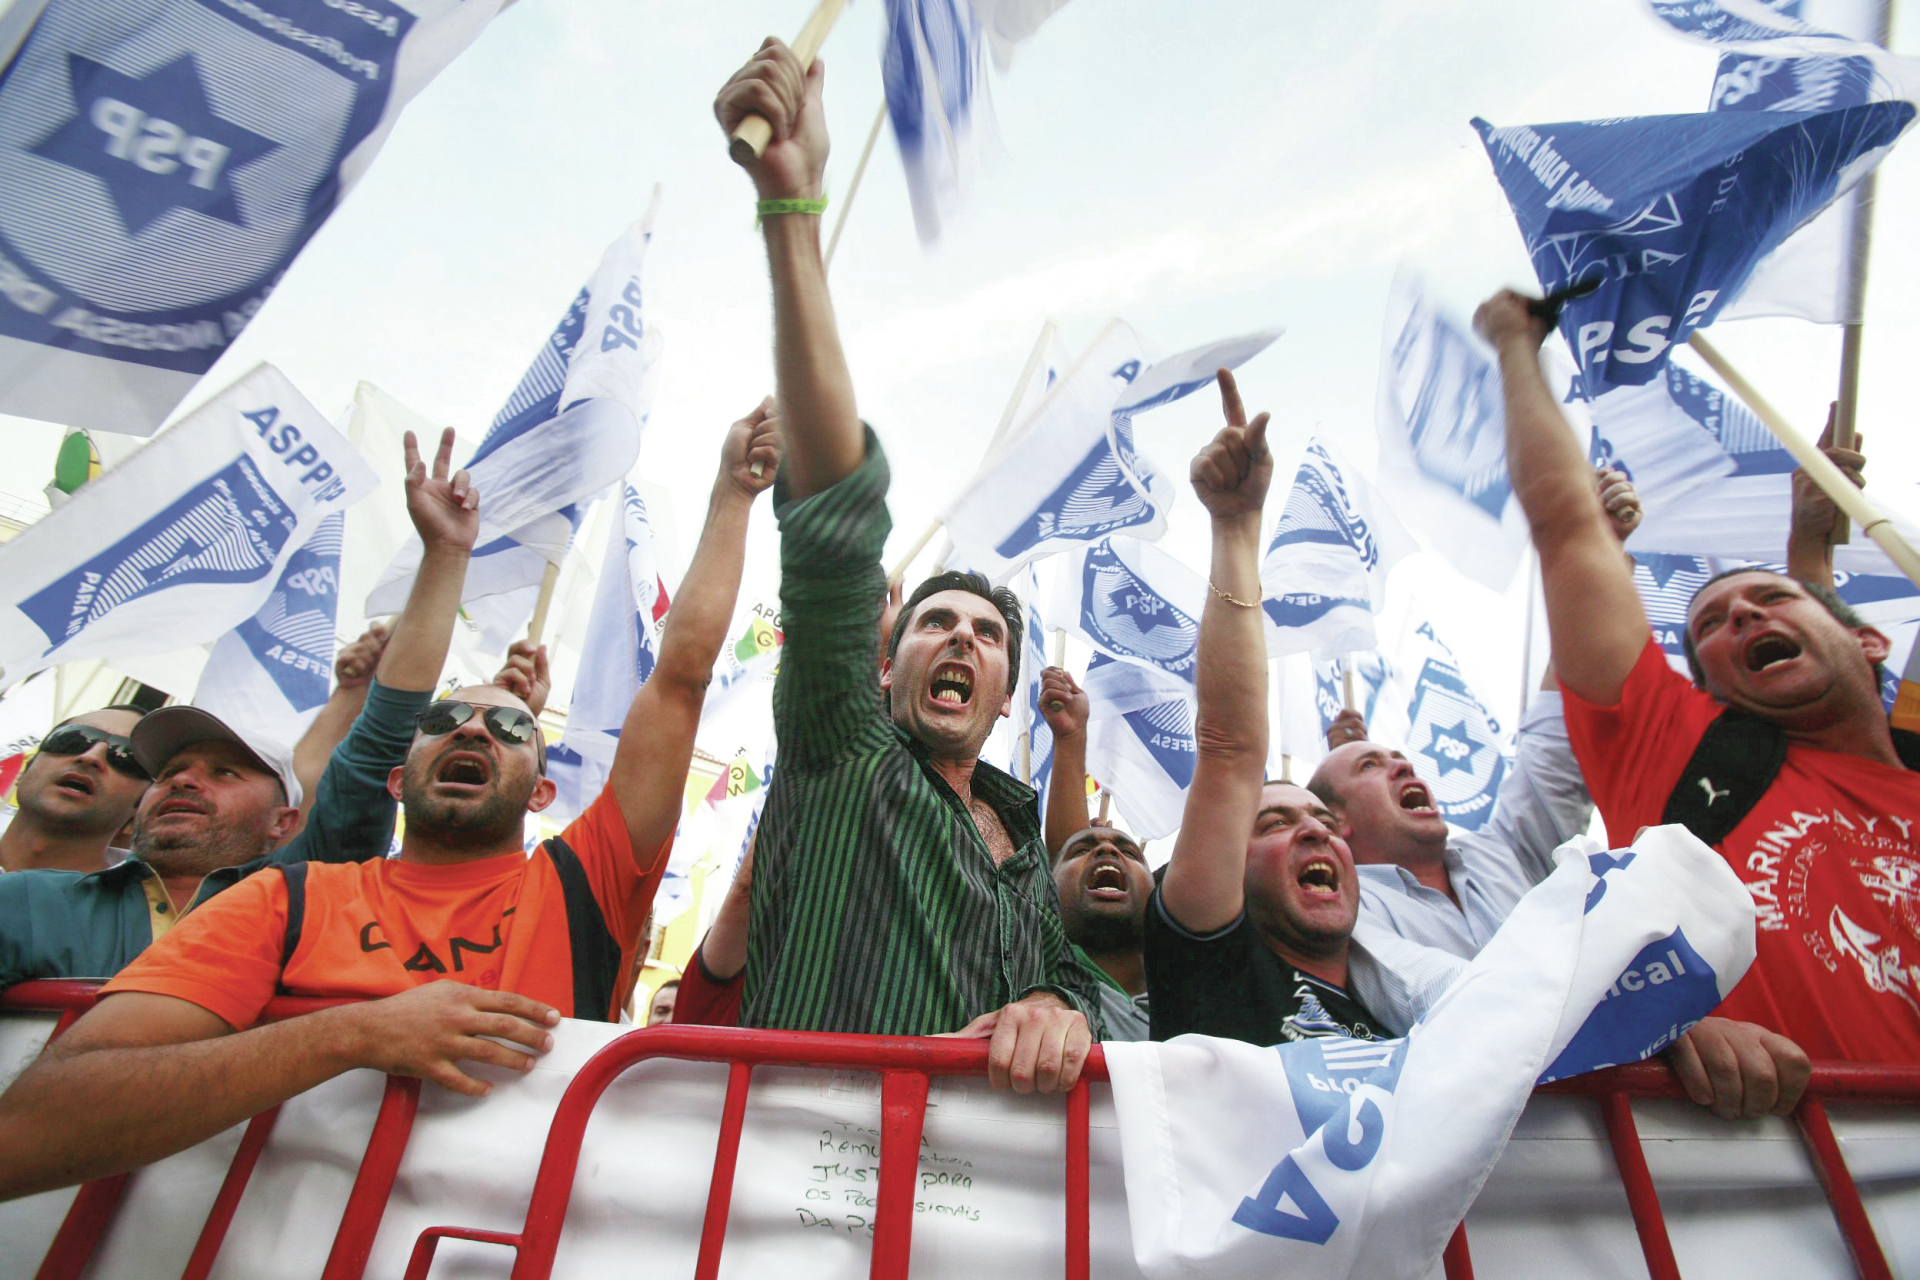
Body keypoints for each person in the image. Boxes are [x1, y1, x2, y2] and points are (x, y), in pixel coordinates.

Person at [0, 408, 779, 1202]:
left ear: (542, 791)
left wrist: (733, 496)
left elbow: (679, 677)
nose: (473, 726)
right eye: (442, 719)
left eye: (511, 726)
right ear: (397, 778)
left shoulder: (585, 884)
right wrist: (354, 1033)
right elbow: (35, 1126)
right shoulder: (288, 898)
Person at [715, 39, 1102, 1094]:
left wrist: (1057, 1003)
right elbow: (835, 528)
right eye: (937, 622)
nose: (962, 641)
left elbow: (1090, 978)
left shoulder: (1027, 848)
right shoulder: (843, 745)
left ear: (1006, 690)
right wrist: (792, 217)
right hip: (791, 1201)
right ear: (887, 659)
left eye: (987, 636)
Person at [1477, 286, 1896, 1094]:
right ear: (1713, 695)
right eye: (1707, 626)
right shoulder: (1675, 751)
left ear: (1872, 640)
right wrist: (1516, 346)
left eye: (1769, 601)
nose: (1739, 612)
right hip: (1817, 1180)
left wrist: (1809, 547)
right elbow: (1566, 527)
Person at [0, 431, 482, 987]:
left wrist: (446, 553)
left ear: (285, 824)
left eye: (224, 772)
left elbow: (382, 736)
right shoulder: (33, 901)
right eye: (170, 772)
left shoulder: (299, 899)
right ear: (137, 811)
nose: (184, 781)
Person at [1143, 377, 1421, 1045]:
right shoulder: (1214, 967)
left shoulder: (1427, 1004)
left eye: (1325, 821)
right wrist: (1235, 527)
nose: (1314, 833)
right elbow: (1232, 747)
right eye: (1273, 822)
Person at [1304, 469, 1633, 959]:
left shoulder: (1508, 853)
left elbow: (1555, 725)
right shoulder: (1341, 915)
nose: (1404, 764)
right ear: (1336, 822)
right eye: (1371, 766)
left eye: (1399, 758)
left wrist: (1595, 553)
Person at [1036, 667, 1153, 1040]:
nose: (1106, 848)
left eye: (1129, 852)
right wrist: (1070, 738)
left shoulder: (1196, 986)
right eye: (1085, 849)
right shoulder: (1035, 979)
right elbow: (1062, 855)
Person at [0, 705, 149, 874]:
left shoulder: (148, 897)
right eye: (72, 739)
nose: (90, 757)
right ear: (26, 768)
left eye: (125, 755)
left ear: (143, 806)